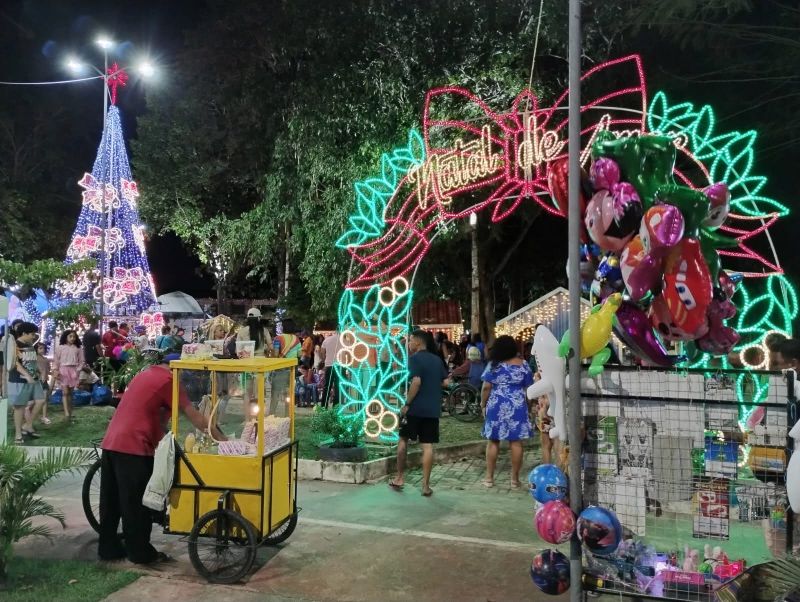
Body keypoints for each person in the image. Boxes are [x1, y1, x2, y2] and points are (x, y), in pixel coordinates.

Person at [98, 353, 226, 564]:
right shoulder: (170, 380)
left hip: (112, 441)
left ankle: (108, 548)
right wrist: (223, 440)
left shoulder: (145, 374)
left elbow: (151, 414)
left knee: (111, 502)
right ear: (179, 367)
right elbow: (194, 416)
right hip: (134, 446)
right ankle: (140, 553)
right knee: (136, 504)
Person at [389, 329, 448, 497]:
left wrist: (407, 404)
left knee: (403, 440)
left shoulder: (414, 359)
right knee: (427, 446)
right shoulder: (437, 360)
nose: (408, 343)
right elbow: (445, 382)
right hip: (432, 409)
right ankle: (426, 486)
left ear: (418, 342)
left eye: (410, 340)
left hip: (414, 408)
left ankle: (400, 478)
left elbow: (416, 382)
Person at [480, 334, 534, 488]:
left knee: (493, 441)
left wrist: (483, 404)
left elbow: (486, 387)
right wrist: (528, 407)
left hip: (496, 404)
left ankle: (489, 478)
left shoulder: (493, 365)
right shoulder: (523, 365)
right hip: (517, 404)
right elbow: (529, 388)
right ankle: (515, 480)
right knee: (516, 443)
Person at [7, 322, 46, 444]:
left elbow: (32, 361)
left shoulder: (30, 345)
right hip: (19, 380)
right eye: (32, 334)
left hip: (33, 378)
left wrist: (39, 371)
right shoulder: (14, 345)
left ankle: (27, 425)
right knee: (20, 407)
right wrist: (27, 375)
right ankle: (18, 434)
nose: (34, 336)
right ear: (24, 333)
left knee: (40, 400)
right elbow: (16, 364)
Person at [53, 329, 84, 422]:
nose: (72, 338)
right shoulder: (60, 347)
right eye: (70, 336)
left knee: (70, 392)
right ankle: (66, 413)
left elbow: (82, 361)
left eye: (74, 336)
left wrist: (78, 371)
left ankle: (70, 411)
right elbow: (56, 360)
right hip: (63, 370)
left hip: (73, 370)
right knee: (65, 392)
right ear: (65, 337)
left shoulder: (78, 348)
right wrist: (56, 370)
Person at [271, 325, 302, 415]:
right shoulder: (297, 340)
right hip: (292, 369)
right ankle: (287, 415)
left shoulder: (278, 338)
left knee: (275, 393)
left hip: (280, 369)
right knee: (289, 393)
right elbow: (299, 354)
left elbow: (276, 354)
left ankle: (272, 414)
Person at [32, 342, 52, 425]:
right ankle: (33, 416)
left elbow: (48, 370)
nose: (42, 350)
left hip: (44, 382)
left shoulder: (46, 359)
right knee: (34, 401)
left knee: (45, 399)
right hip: (36, 381)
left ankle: (44, 416)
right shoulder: (33, 359)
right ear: (36, 349)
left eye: (43, 348)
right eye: (40, 348)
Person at [320, 330, 341, 408]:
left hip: (329, 365)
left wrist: (324, 360)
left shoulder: (327, 340)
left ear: (335, 331)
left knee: (327, 386)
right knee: (337, 387)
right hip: (340, 366)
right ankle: (336, 406)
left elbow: (322, 352)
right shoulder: (344, 341)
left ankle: (323, 406)